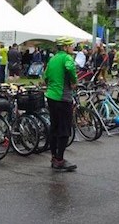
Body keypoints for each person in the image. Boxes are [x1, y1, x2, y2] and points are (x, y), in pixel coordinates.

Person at [44, 37, 78, 171]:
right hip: (63, 97)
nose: (72, 48)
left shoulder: (52, 59)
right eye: (71, 45)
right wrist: (73, 81)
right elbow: (70, 67)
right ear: (65, 47)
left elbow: (45, 76)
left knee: (54, 127)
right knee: (64, 130)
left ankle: (53, 157)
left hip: (51, 97)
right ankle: (60, 160)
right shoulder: (66, 58)